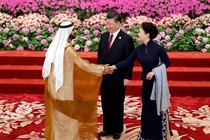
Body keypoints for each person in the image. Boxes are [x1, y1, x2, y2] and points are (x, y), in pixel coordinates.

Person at [42, 21, 111, 140]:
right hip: (64, 89)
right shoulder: (67, 49)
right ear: (68, 32)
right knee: (68, 118)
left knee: (59, 117)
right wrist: (102, 69)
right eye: (73, 30)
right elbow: (83, 65)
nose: (74, 32)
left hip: (53, 87)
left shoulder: (55, 46)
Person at [109, 22, 173, 140]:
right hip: (146, 84)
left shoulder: (158, 49)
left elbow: (168, 62)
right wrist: (114, 67)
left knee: (156, 110)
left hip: (157, 84)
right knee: (146, 109)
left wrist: (154, 72)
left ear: (147, 34)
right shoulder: (138, 49)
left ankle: (158, 136)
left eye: (140, 31)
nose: (138, 33)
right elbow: (128, 61)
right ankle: (145, 135)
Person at [97, 10, 134, 139]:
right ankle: (107, 128)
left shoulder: (126, 39)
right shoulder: (103, 36)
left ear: (118, 23)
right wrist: (99, 71)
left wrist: (127, 77)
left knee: (117, 103)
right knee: (105, 103)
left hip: (118, 77)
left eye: (110, 24)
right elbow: (100, 57)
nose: (108, 26)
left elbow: (129, 60)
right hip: (105, 77)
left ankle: (117, 129)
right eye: (106, 24)